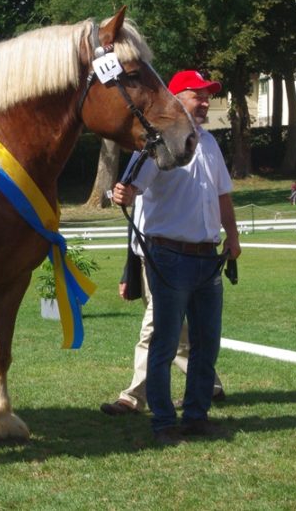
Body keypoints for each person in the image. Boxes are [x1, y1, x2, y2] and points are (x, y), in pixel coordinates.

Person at [111, 70, 241, 446]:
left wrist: (232, 237)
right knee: (164, 344)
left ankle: (196, 417)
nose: (204, 102)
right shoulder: (155, 145)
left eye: (206, 96)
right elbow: (133, 189)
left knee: (206, 344)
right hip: (168, 256)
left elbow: (222, 196)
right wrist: (125, 194)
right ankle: (163, 422)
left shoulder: (212, 144)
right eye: (196, 95)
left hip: (207, 257)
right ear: (175, 97)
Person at [100, 194, 225, 418]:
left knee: (154, 330)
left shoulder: (163, 169)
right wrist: (129, 271)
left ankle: (133, 397)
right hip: (144, 259)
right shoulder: (141, 170)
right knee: (174, 330)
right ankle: (210, 385)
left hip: (167, 260)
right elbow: (137, 223)